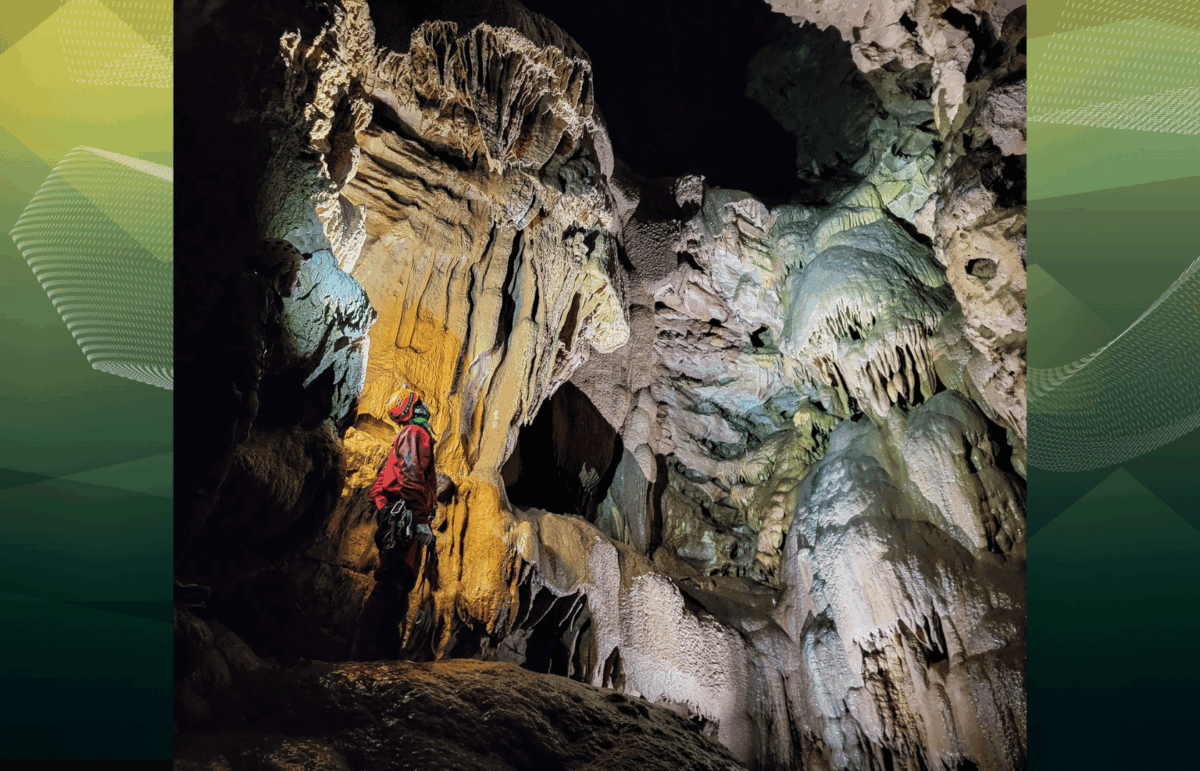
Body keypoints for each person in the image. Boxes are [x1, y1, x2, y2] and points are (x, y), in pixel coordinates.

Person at [365, 389, 439, 643]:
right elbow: (411, 474)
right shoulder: (416, 434)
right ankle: (367, 650)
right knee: (391, 582)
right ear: (416, 409)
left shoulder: (406, 435)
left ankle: (384, 651)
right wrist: (419, 520)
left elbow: (380, 485)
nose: (426, 406)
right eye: (420, 403)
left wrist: (384, 507)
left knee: (399, 584)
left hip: (398, 514)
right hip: (405, 516)